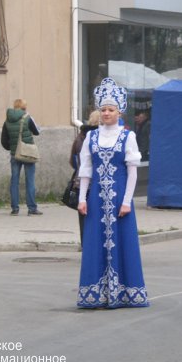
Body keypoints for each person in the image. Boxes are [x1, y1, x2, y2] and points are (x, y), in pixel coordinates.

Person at [76, 78, 149, 308]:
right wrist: (82, 198)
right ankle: (96, 294)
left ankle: (125, 293)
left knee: (123, 243)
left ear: (119, 112)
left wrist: (127, 201)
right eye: (103, 109)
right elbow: (86, 169)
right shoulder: (91, 137)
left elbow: (132, 172)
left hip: (119, 197)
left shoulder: (128, 137)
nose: (106, 113)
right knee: (95, 243)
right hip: (97, 197)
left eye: (111, 110)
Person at [1, 99, 41, 216]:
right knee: (30, 180)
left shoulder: (7, 121)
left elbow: (4, 140)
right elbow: (37, 132)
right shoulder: (27, 118)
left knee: (14, 181)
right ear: (24, 108)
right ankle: (32, 208)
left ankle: (15, 209)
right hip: (28, 153)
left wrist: (12, 148)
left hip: (15, 154)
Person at [69, 110, 100, 247]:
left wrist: (79, 170)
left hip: (81, 182)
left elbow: (72, 160)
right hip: (98, 182)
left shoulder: (80, 137)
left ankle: (85, 245)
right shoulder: (102, 138)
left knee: (83, 215)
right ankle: (97, 246)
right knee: (98, 216)